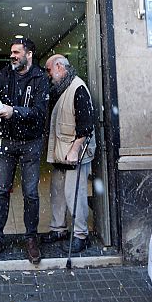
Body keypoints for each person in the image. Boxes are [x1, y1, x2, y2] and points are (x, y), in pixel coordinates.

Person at [0, 38, 49, 265]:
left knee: (30, 193)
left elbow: (40, 112)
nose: (13, 56)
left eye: (17, 52)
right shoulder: (4, 74)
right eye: (11, 52)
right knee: (1, 191)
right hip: (6, 142)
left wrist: (14, 112)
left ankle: (31, 238)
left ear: (29, 54)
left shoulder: (40, 78)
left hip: (31, 143)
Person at [41, 55, 95, 253]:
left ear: (58, 66)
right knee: (57, 193)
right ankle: (59, 229)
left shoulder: (78, 88)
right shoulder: (61, 87)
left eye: (49, 70)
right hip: (61, 154)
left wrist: (74, 151)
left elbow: (86, 126)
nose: (49, 75)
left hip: (74, 154)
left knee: (75, 194)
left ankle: (81, 235)